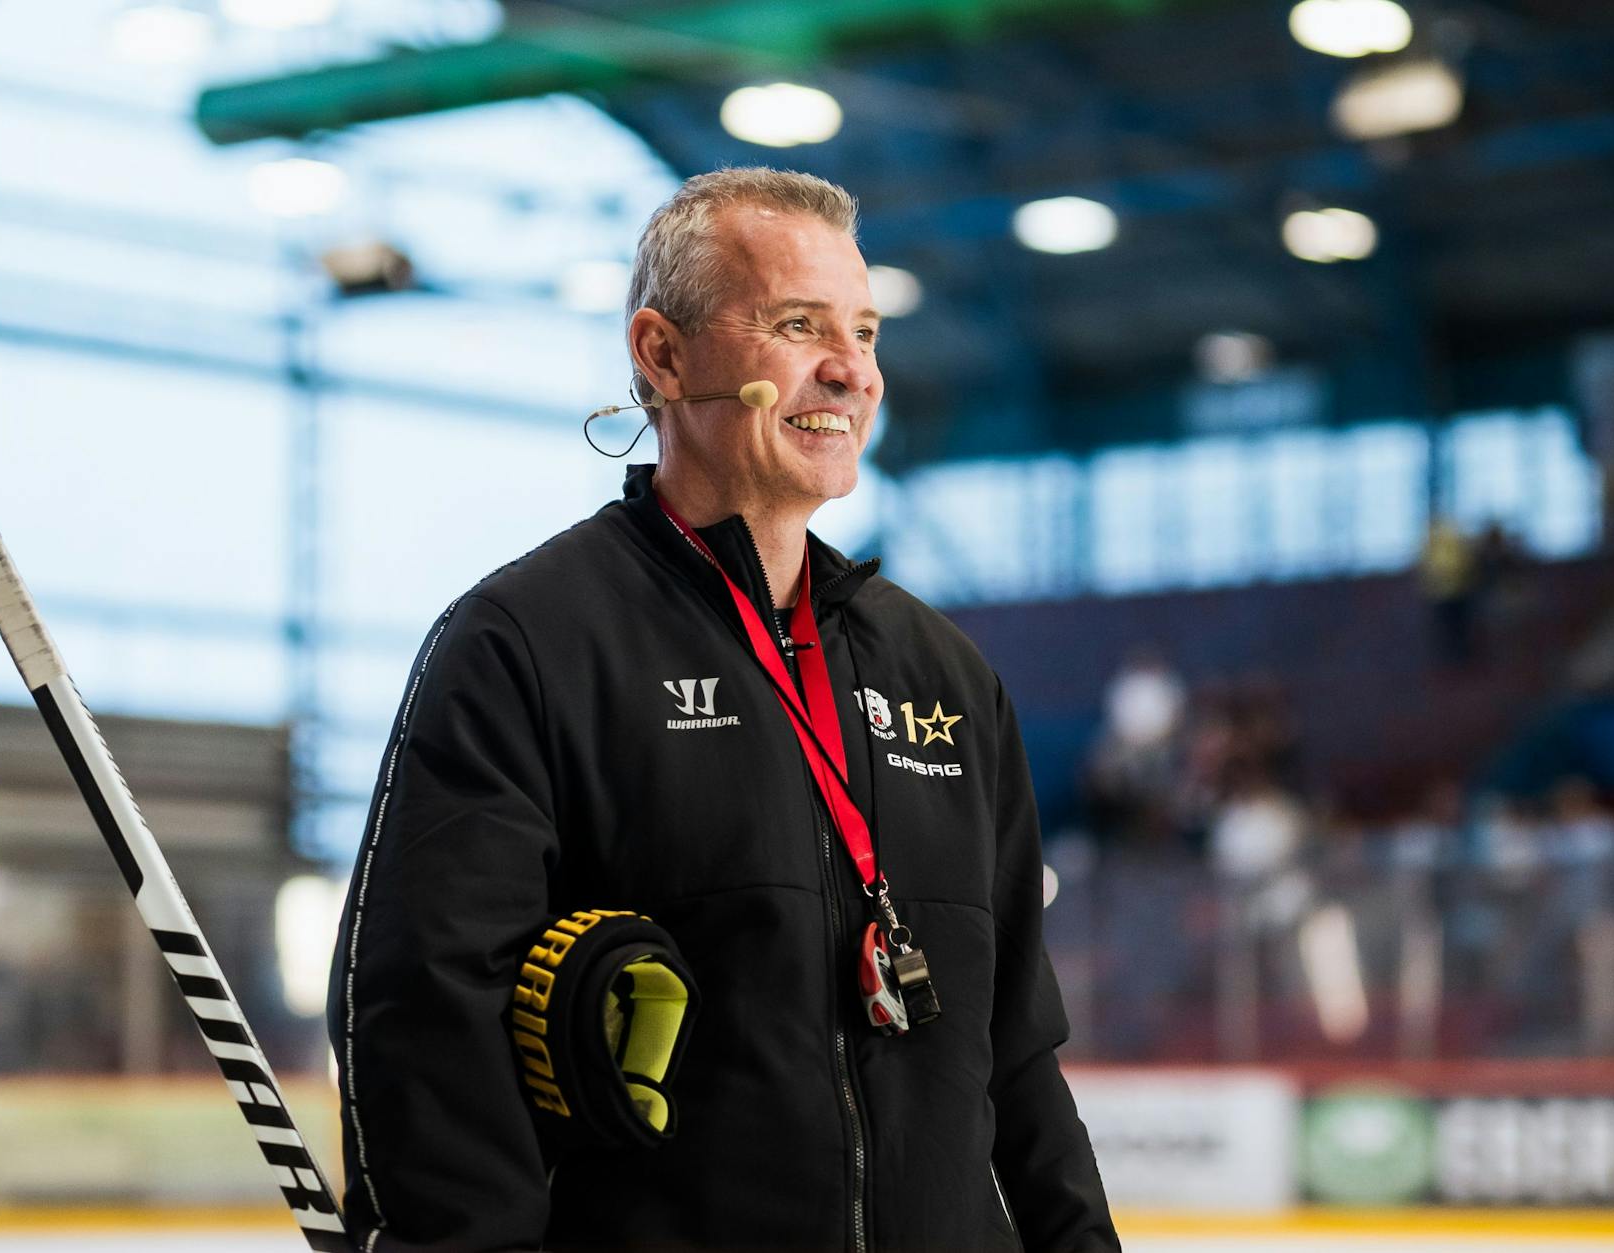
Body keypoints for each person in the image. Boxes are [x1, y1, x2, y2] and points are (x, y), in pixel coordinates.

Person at [329, 167, 1121, 1253]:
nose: (849, 370)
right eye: (797, 325)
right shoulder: (527, 642)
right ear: (661, 353)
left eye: (865, 331)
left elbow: (1017, 1052)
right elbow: (425, 1021)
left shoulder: (943, 675)